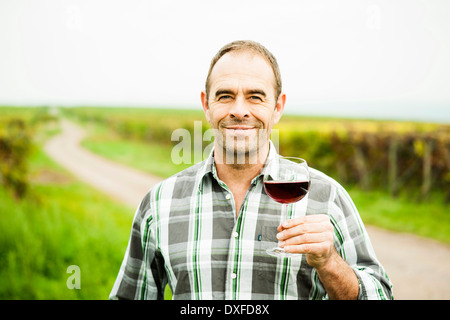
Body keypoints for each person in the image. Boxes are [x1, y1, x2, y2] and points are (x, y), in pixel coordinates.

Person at [110, 40, 393, 300]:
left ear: (278, 107)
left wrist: (330, 263)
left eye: (255, 97)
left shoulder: (327, 198)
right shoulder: (160, 202)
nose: (239, 110)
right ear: (206, 105)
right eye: (225, 96)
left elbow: (381, 295)